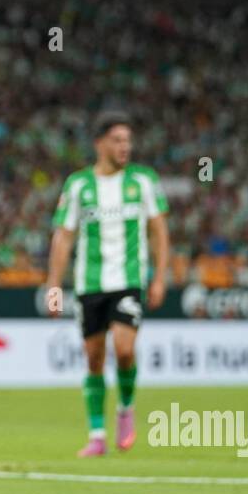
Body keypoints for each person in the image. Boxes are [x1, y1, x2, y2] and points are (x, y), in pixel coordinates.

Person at [45, 112, 170, 456]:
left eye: (128, 140)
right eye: (117, 140)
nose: (124, 146)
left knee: (125, 349)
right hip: (89, 285)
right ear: (99, 143)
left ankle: (126, 409)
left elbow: (159, 230)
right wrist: (54, 285)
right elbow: (64, 237)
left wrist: (159, 276)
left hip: (129, 280)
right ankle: (97, 436)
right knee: (94, 358)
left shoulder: (143, 181)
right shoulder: (78, 185)